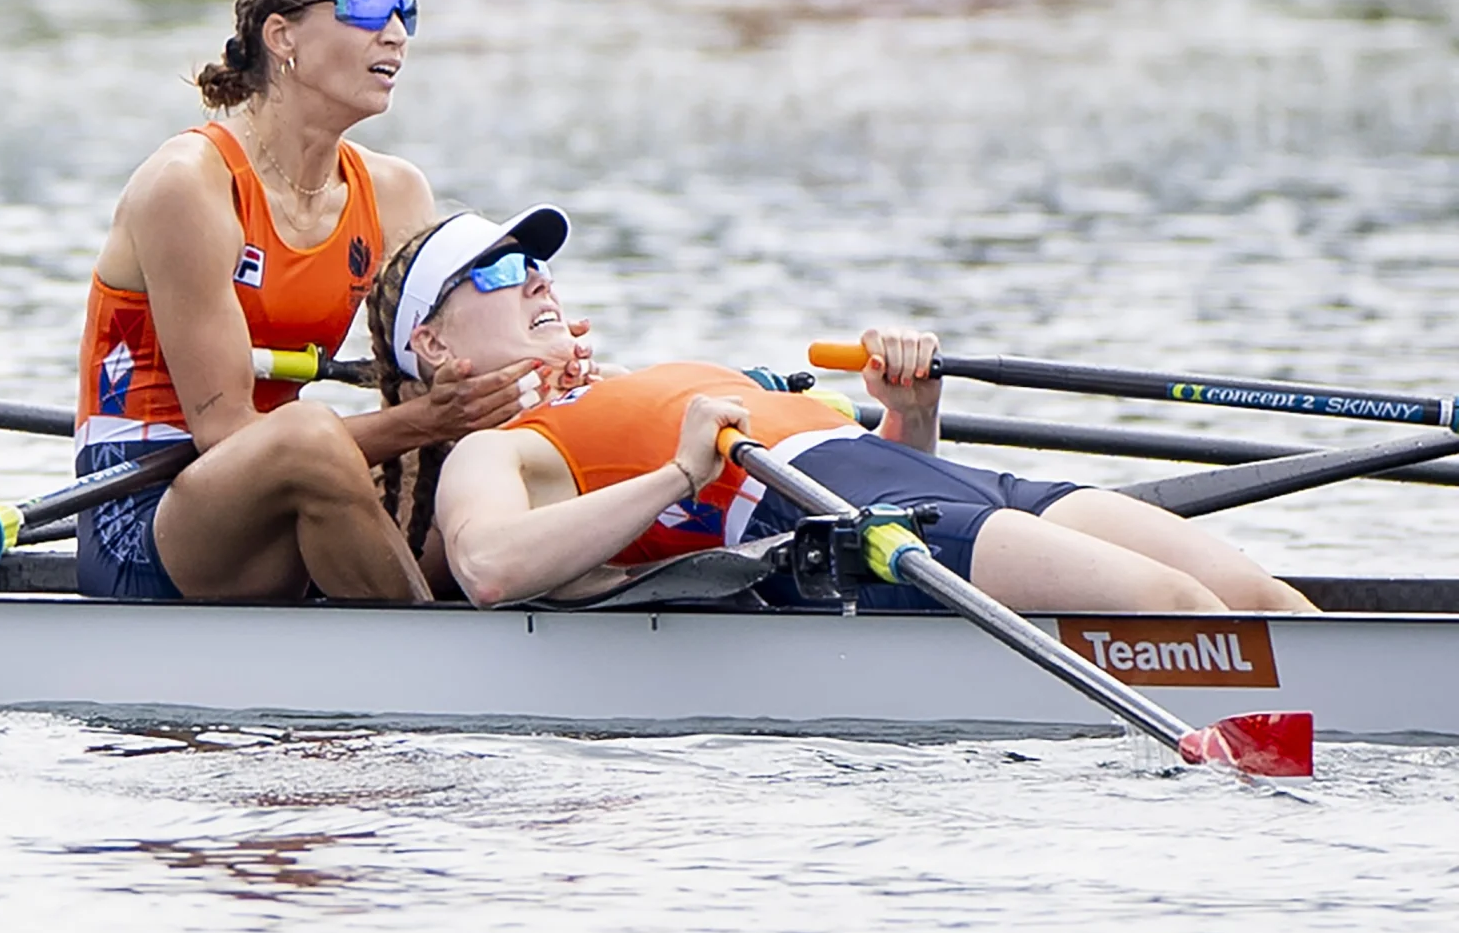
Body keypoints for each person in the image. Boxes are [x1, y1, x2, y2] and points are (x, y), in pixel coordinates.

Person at [397, 208, 1309, 615]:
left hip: (932, 484)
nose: (539, 281)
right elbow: (488, 568)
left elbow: (902, 463)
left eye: (540, 266)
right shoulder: (495, 450)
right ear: (433, 342)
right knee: (1174, 607)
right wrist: (678, 474)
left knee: (1260, 600)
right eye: (503, 270)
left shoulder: (629, 375)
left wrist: (911, 413)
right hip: (839, 524)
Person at [72, 0, 529, 605]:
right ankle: (432, 643)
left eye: (406, 11)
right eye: (368, 8)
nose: (396, 33)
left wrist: (534, 366)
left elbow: (439, 364)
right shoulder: (189, 186)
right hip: (144, 516)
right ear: (281, 34)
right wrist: (426, 420)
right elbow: (226, 430)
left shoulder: (396, 192)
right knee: (309, 434)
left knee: (533, 408)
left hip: (286, 493)